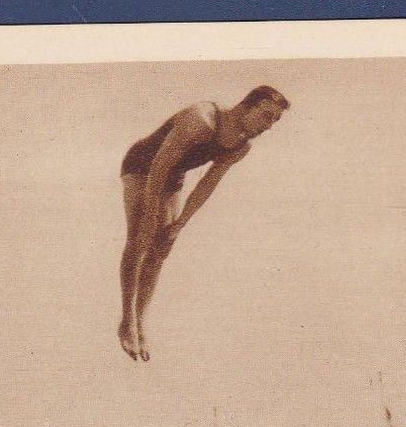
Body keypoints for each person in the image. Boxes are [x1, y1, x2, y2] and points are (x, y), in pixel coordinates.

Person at [119, 86, 290, 361]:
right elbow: (159, 165)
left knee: (162, 248)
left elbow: (208, 184)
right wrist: (151, 212)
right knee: (142, 237)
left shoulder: (241, 145)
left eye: (274, 121)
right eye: (266, 115)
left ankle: (141, 321)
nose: (268, 126)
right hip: (143, 165)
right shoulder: (202, 119)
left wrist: (180, 224)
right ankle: (127, 321)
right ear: (247, 105)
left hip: (175, 174)